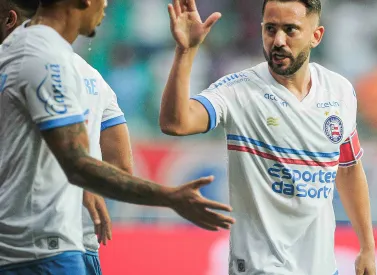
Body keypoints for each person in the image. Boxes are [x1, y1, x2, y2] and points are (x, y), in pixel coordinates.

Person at [0, 0, 234, 274]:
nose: (106, 6)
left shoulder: (26, 52)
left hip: (47, 245)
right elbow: (82, 165)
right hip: (42, 253)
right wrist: (170, 197)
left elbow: (96, 165)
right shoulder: (51, 62)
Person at [159, 0, 376, 274]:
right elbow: (175, 123)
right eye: (270, 29)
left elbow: (349, 169)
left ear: (316, 36)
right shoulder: (238, 91)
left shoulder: (340, 91)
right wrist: (186, 52)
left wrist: (367, 246)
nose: (278, 40)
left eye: (290, 30)